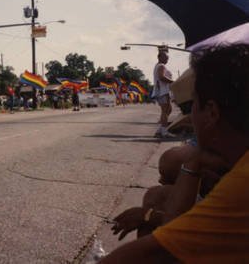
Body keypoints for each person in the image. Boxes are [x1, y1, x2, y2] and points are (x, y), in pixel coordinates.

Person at [99, 44, 249, 263]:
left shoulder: (241, 184)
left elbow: (152, 253)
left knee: (154, 213)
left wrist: (149, 215)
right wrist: (196, 161)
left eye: (193, 107)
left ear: (212, 112)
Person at [152, 50, 175, 138]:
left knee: (168, 110)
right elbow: (161, 77)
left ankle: (160, 130)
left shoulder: (159, 66)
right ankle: (164, 132)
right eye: (166, 57)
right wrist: (172, 81)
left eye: (167, 58)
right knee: (165, 111)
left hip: (163, 91)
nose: (167, 59)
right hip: (162, 91)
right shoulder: (161, 66)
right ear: (160, 57)